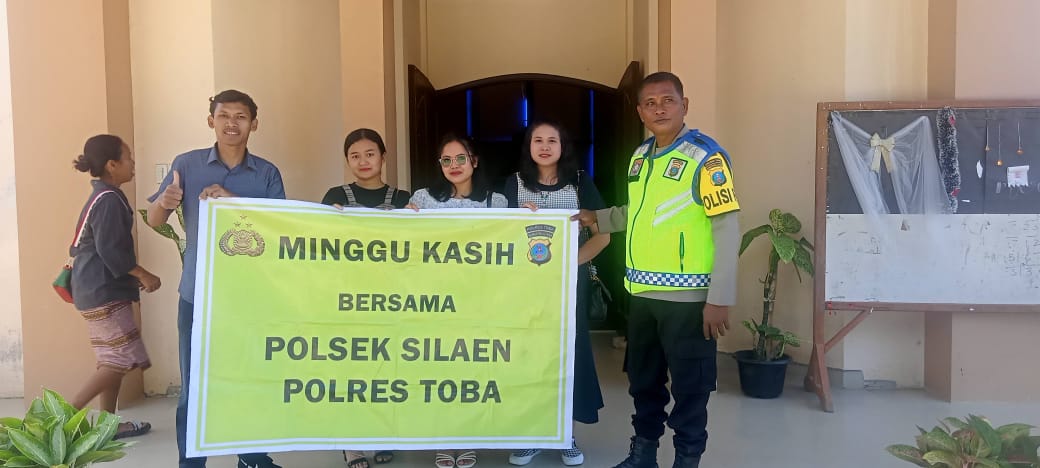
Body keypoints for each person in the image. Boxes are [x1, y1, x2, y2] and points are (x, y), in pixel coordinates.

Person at [572, 72, 740, 468]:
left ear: (685, 105)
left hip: (689, 300)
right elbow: (641, 214)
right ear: (640, 112)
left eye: (668, 100)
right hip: (642, 296)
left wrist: (720, 298)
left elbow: (727, 226)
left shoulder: (706, 157)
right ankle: (643, 454)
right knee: (643, 382)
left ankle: (686, 459)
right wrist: (598, 217)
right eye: (650, 103)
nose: (659, 108)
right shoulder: (640, 157)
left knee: (690, 388)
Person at [146, 90, 286, 468]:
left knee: (250, 380)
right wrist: (164, 203)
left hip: (251, 296)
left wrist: (231, 200)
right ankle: (191, 463)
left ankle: (252, 457)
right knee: (194, 386)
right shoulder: (187, 164)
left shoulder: (267, 173)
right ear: (211, 121)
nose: (231, 124)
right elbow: (154, 219)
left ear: (254, 124)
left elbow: (280, 228)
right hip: (199, 294)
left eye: (241, 117)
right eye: (224, 116)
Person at [502, 121, 608, 466]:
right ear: (528, 146)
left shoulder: (580, 182)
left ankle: (566, 435)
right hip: (524, 287)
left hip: (567, 286)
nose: (545, 146)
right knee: (528, 356)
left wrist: (570, 263)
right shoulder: (514, 184)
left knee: (568, 355)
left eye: (552, 140)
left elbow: (603, 234)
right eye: (538, 140)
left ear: (563, 146)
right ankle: (531, 434)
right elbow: (498, 231)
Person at [406, 134, 505, 468]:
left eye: (460, 158)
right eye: (446, 160)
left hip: (478, 300)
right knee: (440, 371)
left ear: (474, 160)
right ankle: (444, 438)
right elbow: (403, 241)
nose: (454, 166)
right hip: (434, 300)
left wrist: (532, 217)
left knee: (471, 371)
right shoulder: (422, 199)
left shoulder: (496, 202)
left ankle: (466, 437)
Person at [321, 128, 407, 468]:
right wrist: (329, 221)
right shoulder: (335, 197)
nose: (363, 161)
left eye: (370, 154)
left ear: (383, 157)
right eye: (355, 156)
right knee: (351, 370)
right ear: (347, 161)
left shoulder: (402, 199)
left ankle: (383, 435)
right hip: (348, 297)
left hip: (390, 297)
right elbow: (320, 243)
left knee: (387, 369)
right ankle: (352, 445)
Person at [69, 134, 160, 440]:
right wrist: (144, 274)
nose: (133, 163)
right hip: (103, 290)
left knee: (113, 360)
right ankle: (63, 417)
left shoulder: (105, 195)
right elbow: (110, 250)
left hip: (95, 289)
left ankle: (107, 426)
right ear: (112, 165)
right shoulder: (108, 200)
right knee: (118, 359)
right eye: (128, 157)